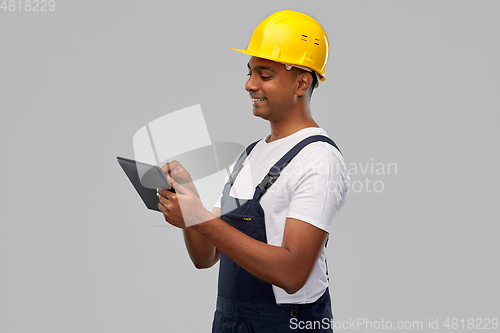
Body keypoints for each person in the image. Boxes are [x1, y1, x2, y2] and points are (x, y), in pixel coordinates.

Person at [157, 10, 350, 333]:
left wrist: (202, 219)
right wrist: (191, 205)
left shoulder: (318, 159)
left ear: (302, 82)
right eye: (250, 73)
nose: (249, 85)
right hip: (230, 323)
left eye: (265, 74)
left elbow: (292, 274)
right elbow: (206, 257)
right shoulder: (250, 156)